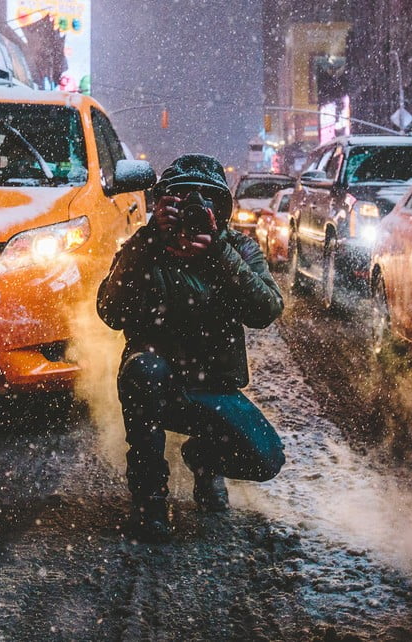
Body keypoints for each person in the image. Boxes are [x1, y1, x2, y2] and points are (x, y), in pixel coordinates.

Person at [97, 153, 286, 542]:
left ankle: (204, 460)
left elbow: (266, 310)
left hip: (211, 389)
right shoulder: (144, 246)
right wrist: (148, 240)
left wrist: (218, 252)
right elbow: (109, 311)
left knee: (266, 459)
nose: (195, 210)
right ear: (165, 204)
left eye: (206, 201)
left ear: (221, 209)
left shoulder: (235, 249)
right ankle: (150, 501)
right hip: (155, 386)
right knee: (144, 370)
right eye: (183, 199)